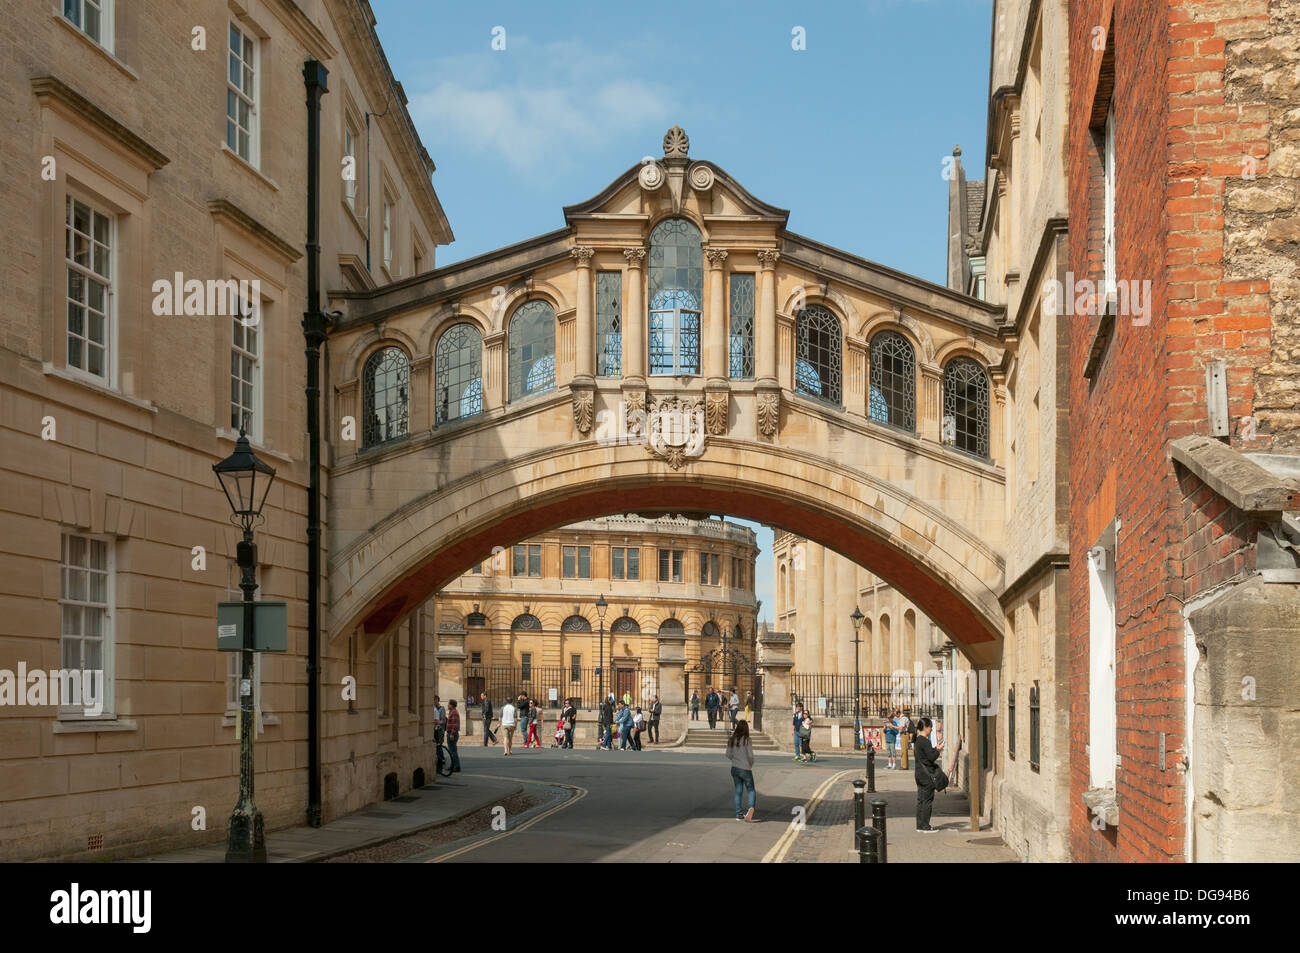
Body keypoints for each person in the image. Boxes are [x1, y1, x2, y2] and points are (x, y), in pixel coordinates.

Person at [913, 716, 943, 832]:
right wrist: (938, 750)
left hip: (919, 774)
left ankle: (920, 825)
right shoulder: (925, 741)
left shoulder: (917, 741)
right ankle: (926, 826)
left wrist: (935, 748)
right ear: (925, 727)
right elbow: (931, 757)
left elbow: (926, 755)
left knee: (921, 800)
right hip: (926, 776)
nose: (931, 729)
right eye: (930, 727)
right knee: (927, 801)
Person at [727, 719, 756, 821]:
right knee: (751, 790)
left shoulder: (731, 739)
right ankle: (751, 808)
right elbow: (750, 756)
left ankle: (739, 814)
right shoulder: (747, 740)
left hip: (735, 768)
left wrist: (735, 760)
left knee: (738, 791)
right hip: (745, 768)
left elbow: (728, 754)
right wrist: (750, 764)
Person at [445, 699, 462, 773]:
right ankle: (453, 766)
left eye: (448, 704)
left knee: (453, 751)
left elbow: (455, 724)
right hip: (451, 733)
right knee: (452, 751)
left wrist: (452, 734)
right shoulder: (452, 712)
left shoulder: (454, 712)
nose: (447, 705)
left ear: (451, 705)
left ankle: (456, 766)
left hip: (452, 734)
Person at [432, 695, 447, 772]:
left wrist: (437, 722)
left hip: (440, 730)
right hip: (435, 729)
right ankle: (440, 760)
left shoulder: (441, 709)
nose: (434, 701)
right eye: (433, 700)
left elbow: (443, 721)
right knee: (438, 746)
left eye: (435, 700)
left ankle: (442, 760)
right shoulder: (433, 708)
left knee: (439, 745)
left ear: (438, 700)